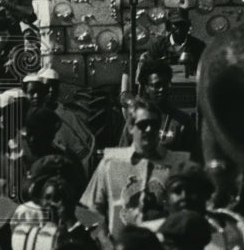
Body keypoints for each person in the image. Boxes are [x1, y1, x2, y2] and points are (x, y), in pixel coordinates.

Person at [80, 98, 190, 239]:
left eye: (154, 124)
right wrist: (103, 241)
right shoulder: (111, 163)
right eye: (143, 124)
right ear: (131, 127)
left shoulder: (178, 164)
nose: (149, 129)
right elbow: (87, 211)